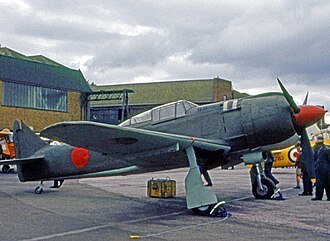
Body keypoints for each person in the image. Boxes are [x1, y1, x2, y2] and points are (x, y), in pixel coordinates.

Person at [312, 135, 330, 201]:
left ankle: (329, 197)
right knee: (319, 184)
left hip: (326, 170)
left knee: (327, 184)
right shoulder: (317, 150)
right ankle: (318, 196)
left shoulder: (327, 150)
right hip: (319, 170)